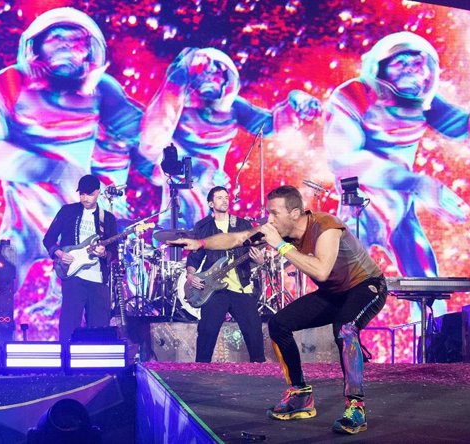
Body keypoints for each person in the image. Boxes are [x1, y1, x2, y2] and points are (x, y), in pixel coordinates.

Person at [0, 7, 145, 320]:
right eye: (56, 38)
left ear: (90, 50)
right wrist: (52, 168)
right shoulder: (10, 84)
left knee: (96, 301)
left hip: (79, 217)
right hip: (24, 219)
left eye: (75, 40)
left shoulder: (103, 90)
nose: (65, 45)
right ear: (36, 45)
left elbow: (141, 136)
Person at [323, 31, 470, 288]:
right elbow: (345, 161)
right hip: (358, 208)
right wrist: (417, 183)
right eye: (401, 64)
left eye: (417, 65)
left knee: (430, 293)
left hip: (402, 212)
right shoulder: (352, 96)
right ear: (379, 68)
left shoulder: (423, 102)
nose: (412, 72)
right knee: (344, 291)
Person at [175, 185, 387, 435]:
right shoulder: (281, 230)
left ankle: (355, 406)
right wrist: (199, 243)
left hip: (366, 287)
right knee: (278, 324)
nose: (269, 220)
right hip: (333, 293)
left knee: (345, 329)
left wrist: (280, 245)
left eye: (275, 214)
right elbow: (236, 239)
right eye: (268, 213)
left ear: (295, 213)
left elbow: (320, 271)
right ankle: (300, 395)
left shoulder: (326, 226)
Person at [138, 47, 321, 230]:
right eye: (205, 74)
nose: (210, 80)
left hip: (212, 186)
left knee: (211, 232)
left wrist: (295, 104)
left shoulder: (235, 109)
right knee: (175, 226)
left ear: (228, 79)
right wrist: (178, 79)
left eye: (217, 74)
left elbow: (272, 125)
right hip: (180, 180)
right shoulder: (176, 106)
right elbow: (153, 137)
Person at [186, 186, 266, 363]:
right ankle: (200, 370)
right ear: (211, 203)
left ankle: (260, 370)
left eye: (226, 197)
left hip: (240, 286)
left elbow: (252, 255)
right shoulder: (203, 226)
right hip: (214, 288)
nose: (224, 200)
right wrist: (191, 275)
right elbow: (195, 257)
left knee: (253, 330)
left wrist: (259, 261)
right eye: (219, 197)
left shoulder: (243, 225)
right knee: (207, 331)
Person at [43, 174, 117, 342]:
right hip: (74, 277)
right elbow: (48, 239)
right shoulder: (68, 211)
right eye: (82, 194)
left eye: (89, 194)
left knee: (99, 326)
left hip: (98, 279)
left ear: (98, 192)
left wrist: (104, 253)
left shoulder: (108, 219)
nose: (84, 198)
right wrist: (60, 254)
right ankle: (66, 362)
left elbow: (114, 251)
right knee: (69, 324)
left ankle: (97, 364)